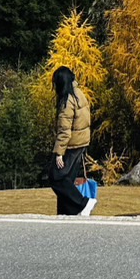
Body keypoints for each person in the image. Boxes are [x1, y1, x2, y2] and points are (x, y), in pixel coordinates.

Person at [48, 66, 94, 217]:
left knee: (56, 177)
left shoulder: (67, 100)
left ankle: (83, 203)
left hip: (71, 144)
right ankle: (66, 214)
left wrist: (59, 153)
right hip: (81, 142)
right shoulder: (79, 94)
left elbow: (65, 130)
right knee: (67, 179)